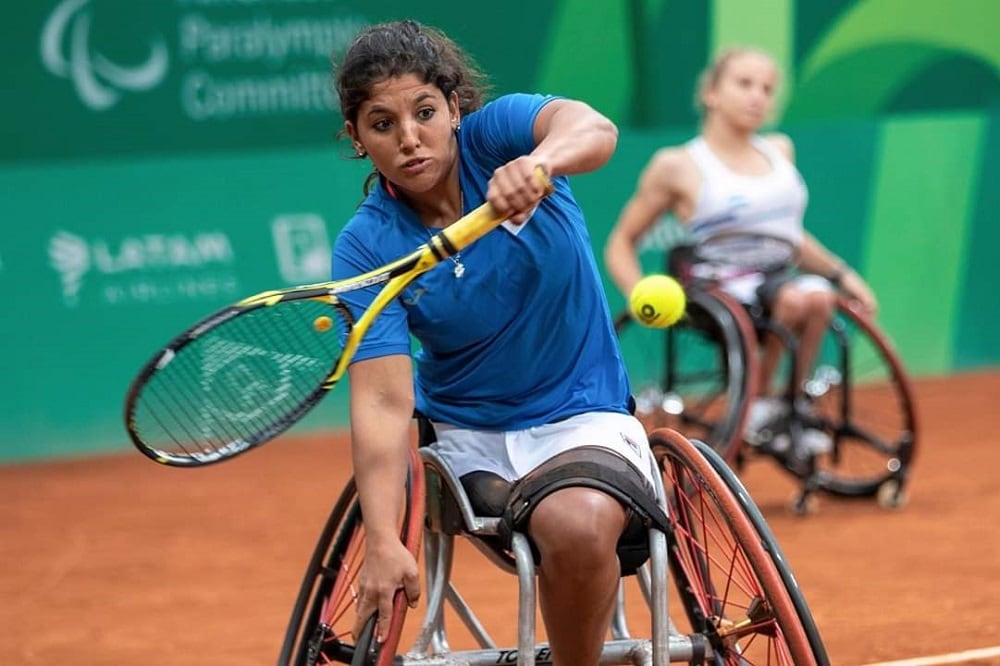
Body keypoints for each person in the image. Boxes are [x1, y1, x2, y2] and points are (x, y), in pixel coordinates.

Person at [331, 20, 661, 666]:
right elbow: (381, 402)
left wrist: (541, 163)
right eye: (382, 124)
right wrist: (379, 537)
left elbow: (596, 130)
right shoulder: (368, 246)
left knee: (580, 525)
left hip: (583, 413)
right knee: (556, 523)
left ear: (454, 107)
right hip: (467, 441)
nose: (409, 139)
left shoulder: (502, 135)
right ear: (357, 139)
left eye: (425, 112)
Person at [604, 46, 878, 454]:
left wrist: (843, 274)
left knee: (818, 295)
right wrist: (640, 297)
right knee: (799, 299)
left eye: (767, 89)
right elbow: (620, 243)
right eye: (744, 84)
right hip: (718, 287)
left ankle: (790, 404)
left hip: (777, 278)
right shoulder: (677, 165)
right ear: (711, 93)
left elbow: (790, 236)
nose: (757, 96)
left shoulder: (780, 150)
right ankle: (763, 404)